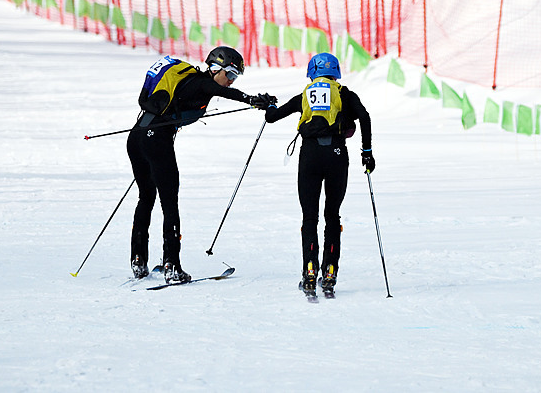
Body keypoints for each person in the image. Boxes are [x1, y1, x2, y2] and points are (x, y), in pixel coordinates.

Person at [127, 46, 276, 284]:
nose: (230, 81)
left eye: (234, 77)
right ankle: (172, 267)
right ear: (216, 68)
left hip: (137, 137)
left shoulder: (192, 83)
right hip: (156, 140)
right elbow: (221, 91)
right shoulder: (202, 82)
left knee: (146, 197)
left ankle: (138, 261)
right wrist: (251, 100)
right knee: (169, 202)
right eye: (230, 74)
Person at [264, 52, 373, 297]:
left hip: (310, 156)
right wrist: (366, 152)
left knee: (309, 216)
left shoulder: (305, 95)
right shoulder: (344, 93)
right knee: (332, 215)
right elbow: (364, 117)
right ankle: (330, 271)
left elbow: (271, 117)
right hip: (336, 155)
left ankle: (310, 270)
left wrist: (269, 104)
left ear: (312, 71)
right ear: (336, 72)